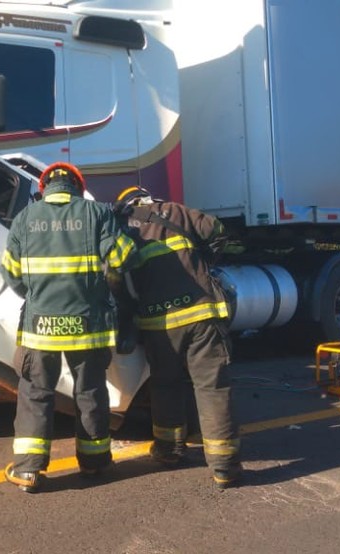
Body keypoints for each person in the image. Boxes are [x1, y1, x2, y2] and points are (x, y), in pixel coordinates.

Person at [0, 162, 137, 493]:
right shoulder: (97, 214)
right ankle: (95, 462)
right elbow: (122, 260)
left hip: (39, 327)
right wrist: (121, 227)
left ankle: (28, 470)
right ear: (77, 186)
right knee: (90, 393)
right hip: (88, 325)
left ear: (44, 187)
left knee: (35, 393)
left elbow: (10, 273)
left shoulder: (24, 219)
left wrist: (36, 298)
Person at [114, 185, 242, 489]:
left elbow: (118, 279)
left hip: (159, 323)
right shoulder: (176, 211)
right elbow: (218, 230)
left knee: (165, 386)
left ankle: (169, 451)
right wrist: (204, 263)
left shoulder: (124, 229)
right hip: (202, 315)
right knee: (212, 387)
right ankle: (224, 466)